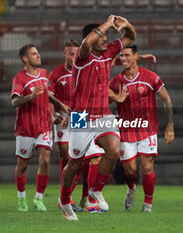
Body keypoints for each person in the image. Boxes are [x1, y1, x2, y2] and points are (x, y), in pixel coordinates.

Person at [57, 15, 136, 221]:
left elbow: (130, 37)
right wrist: (108, 22)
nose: (106, 40)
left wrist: (125, 24)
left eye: (107, 37)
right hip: (81, 116)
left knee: (113, 149)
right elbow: (86, 42)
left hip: (103, 114)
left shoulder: (109, 53)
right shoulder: (82, 57)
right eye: (102, 37)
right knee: (74, 164)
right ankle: (64, 200)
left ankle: (96, 190)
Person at [109, 45, 174, 212]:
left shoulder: (151, 77)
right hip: (127, 130)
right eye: (121, 56)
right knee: (130, 170)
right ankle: (131, 188)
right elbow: (103, 102)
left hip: (148, 129)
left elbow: (166, 100)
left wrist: (170, 124)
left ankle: (147, 204)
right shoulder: (116, 82)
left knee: (147, 167)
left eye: (127, 55)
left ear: (136, 56)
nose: (123, 59)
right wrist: (116, 99)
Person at [11, 44, 70, 212]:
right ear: (25, 58)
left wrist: (61, 105)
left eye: (38, 53)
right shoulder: (19, 78)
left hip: (44, 125)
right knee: (22, 165)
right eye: (34, 54)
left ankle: (39, 198)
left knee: (45, 161)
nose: (38, 56)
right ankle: (21, 198)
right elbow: (14, 101)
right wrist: (30, 96)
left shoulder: (44, 74)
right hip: (26, 128)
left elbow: (47, 95)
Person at [48, 40, 104, 213]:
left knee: (92, 158)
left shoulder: (84, 69)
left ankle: (87, 199)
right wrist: (53, 114)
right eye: (71, 54)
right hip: (63, 118)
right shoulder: (56, 74)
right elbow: (48, 97)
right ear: (65, 54)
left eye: (76, 54)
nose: (74, 57)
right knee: (69, 158)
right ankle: (67, 198)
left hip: (81, 116)